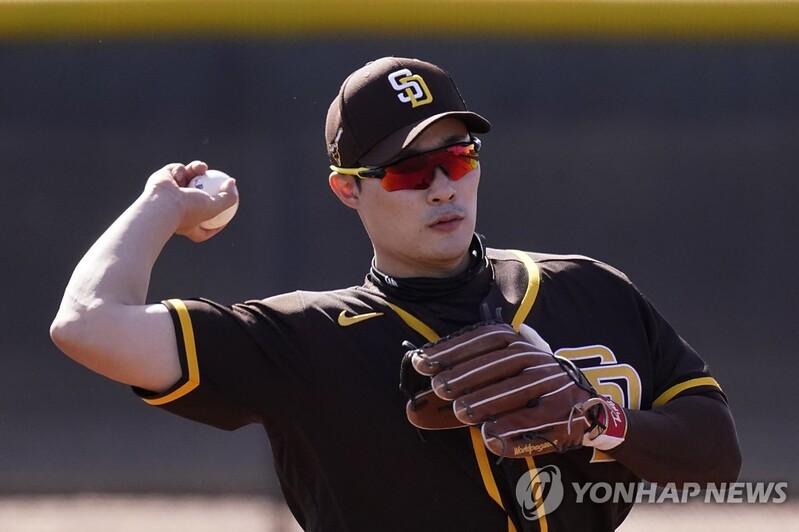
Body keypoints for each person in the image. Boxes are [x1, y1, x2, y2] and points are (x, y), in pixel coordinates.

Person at [50, 56, 741, 531]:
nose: (442, 187)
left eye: (457, 157)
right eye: (409, 171)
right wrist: (160, 206)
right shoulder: (304, 341)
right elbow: (86, 324)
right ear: (346, 189)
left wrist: (602, 421)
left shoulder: (588, 290)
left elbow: (716, 456)